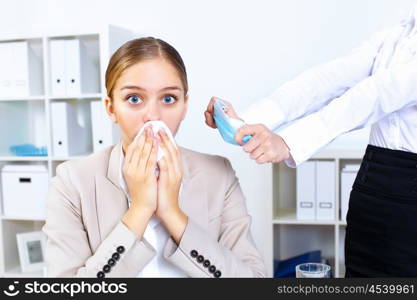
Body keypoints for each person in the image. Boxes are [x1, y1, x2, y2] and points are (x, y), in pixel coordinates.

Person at [205, 6, 417, 277]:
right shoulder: (400, 33)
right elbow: (325, 80)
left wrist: (287, 142)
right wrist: (247, 121)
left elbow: (378, 93)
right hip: (373, 182)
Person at [42, 37, 266, 278]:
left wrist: (172, 213)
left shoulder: (218, 174)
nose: (153, 116)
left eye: (168, 99)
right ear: (111, 108)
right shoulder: (73, 181)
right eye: (134, 99)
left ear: (184, 106)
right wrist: (139, 210)